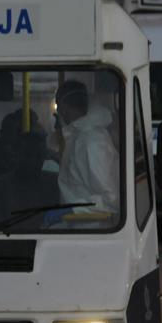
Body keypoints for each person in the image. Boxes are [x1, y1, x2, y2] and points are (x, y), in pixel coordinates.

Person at [46, 80, 118, 224]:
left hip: (92, 230)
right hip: (80, 228)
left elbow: (111, 198)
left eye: (58, 108)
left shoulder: (91, 141)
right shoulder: (80, 136)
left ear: (64, 107)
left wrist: (73, 210)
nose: (58, 113)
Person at [0, 132, 59, 224]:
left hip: (48, 237)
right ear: (16, 155)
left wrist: (58, 158)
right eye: (27, 155)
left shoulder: (53, 182)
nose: (33, 161)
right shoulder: (1, 185)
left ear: (44, 156)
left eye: (39, 156)